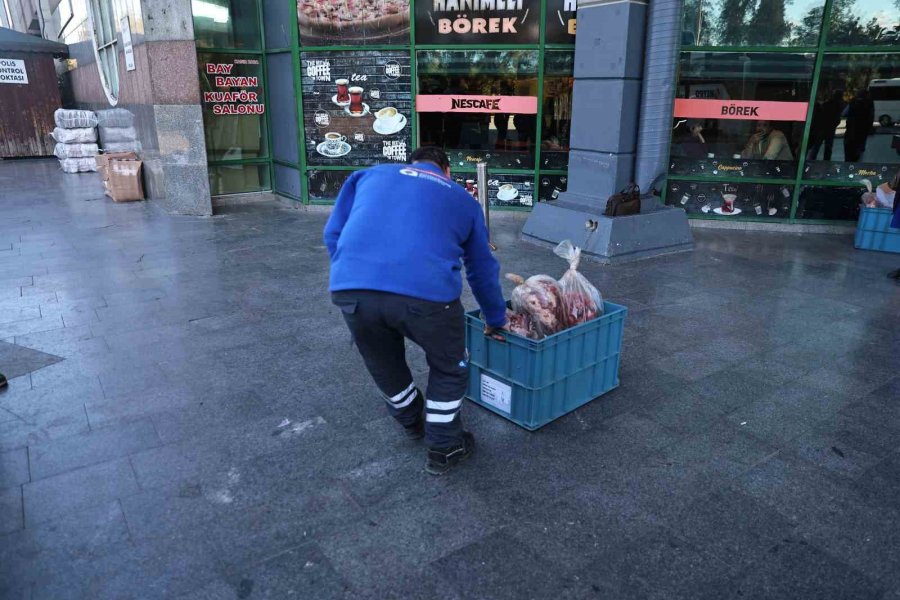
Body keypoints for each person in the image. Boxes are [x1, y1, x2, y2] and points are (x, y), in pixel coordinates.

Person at [324, 147, 507, 475]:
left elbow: (333, 234)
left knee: (383, 363)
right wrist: (495, 319)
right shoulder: (462, 199)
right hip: (429, 296)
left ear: (412, 165)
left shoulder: (369, 176)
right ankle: (445, 446)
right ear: (446, 170)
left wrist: (356, 276)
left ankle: (411, 422)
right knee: (449, 367)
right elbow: (480, 269)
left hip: (351, 289)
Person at [807, 91, 844, 161]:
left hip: (822, 128)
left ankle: (811, 161)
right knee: (828, 148)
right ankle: (826, 162)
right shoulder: (837, 106)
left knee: (817, 146)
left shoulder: (826, 104)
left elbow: (820, 116)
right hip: (829, 129)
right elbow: (837, 119)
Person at [843, 90, 875, 162]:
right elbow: (871, 116)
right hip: (863, 131)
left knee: (848, 153)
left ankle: (847, 167)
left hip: (850, 131)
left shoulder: (853, 102)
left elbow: (844, 113)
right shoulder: (869, 103)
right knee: (859, 151)